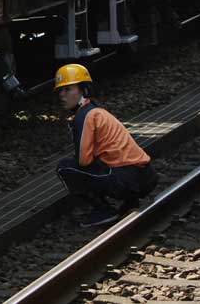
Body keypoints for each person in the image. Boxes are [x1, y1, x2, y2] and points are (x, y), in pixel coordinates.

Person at [54, 64, 158, 228]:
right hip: (146, 176)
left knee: (65, 168)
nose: (62, 95)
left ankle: (103, 210)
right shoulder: (96, 110)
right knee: (100, 165)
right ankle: (130, 203)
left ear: (83, 90)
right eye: (60, 91)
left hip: (128, 180)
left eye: (67, 89)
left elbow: (83, 161)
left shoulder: (85, 116)